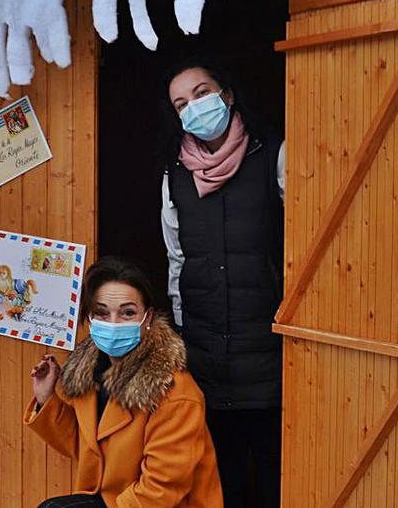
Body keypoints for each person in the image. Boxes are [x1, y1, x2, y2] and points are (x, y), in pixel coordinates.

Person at [159, 59, 284, 507]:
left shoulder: (273, 155)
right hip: (206, 355)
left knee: (276, 478)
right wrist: (182, 331)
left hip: (270, 354)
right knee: (220, 480)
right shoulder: (175, 178)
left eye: (201, 92)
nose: (193, 106)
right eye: (181, 103)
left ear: (226, 95)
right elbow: (177, 261)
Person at [25, 256, 223, 508]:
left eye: (128, 313)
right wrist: (46, 399)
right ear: (90, 317)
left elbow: (161, 490)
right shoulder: (91, 373)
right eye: (102, 313)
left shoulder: (175, 392)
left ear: (147, 318)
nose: (114, 323)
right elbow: (89, 449)